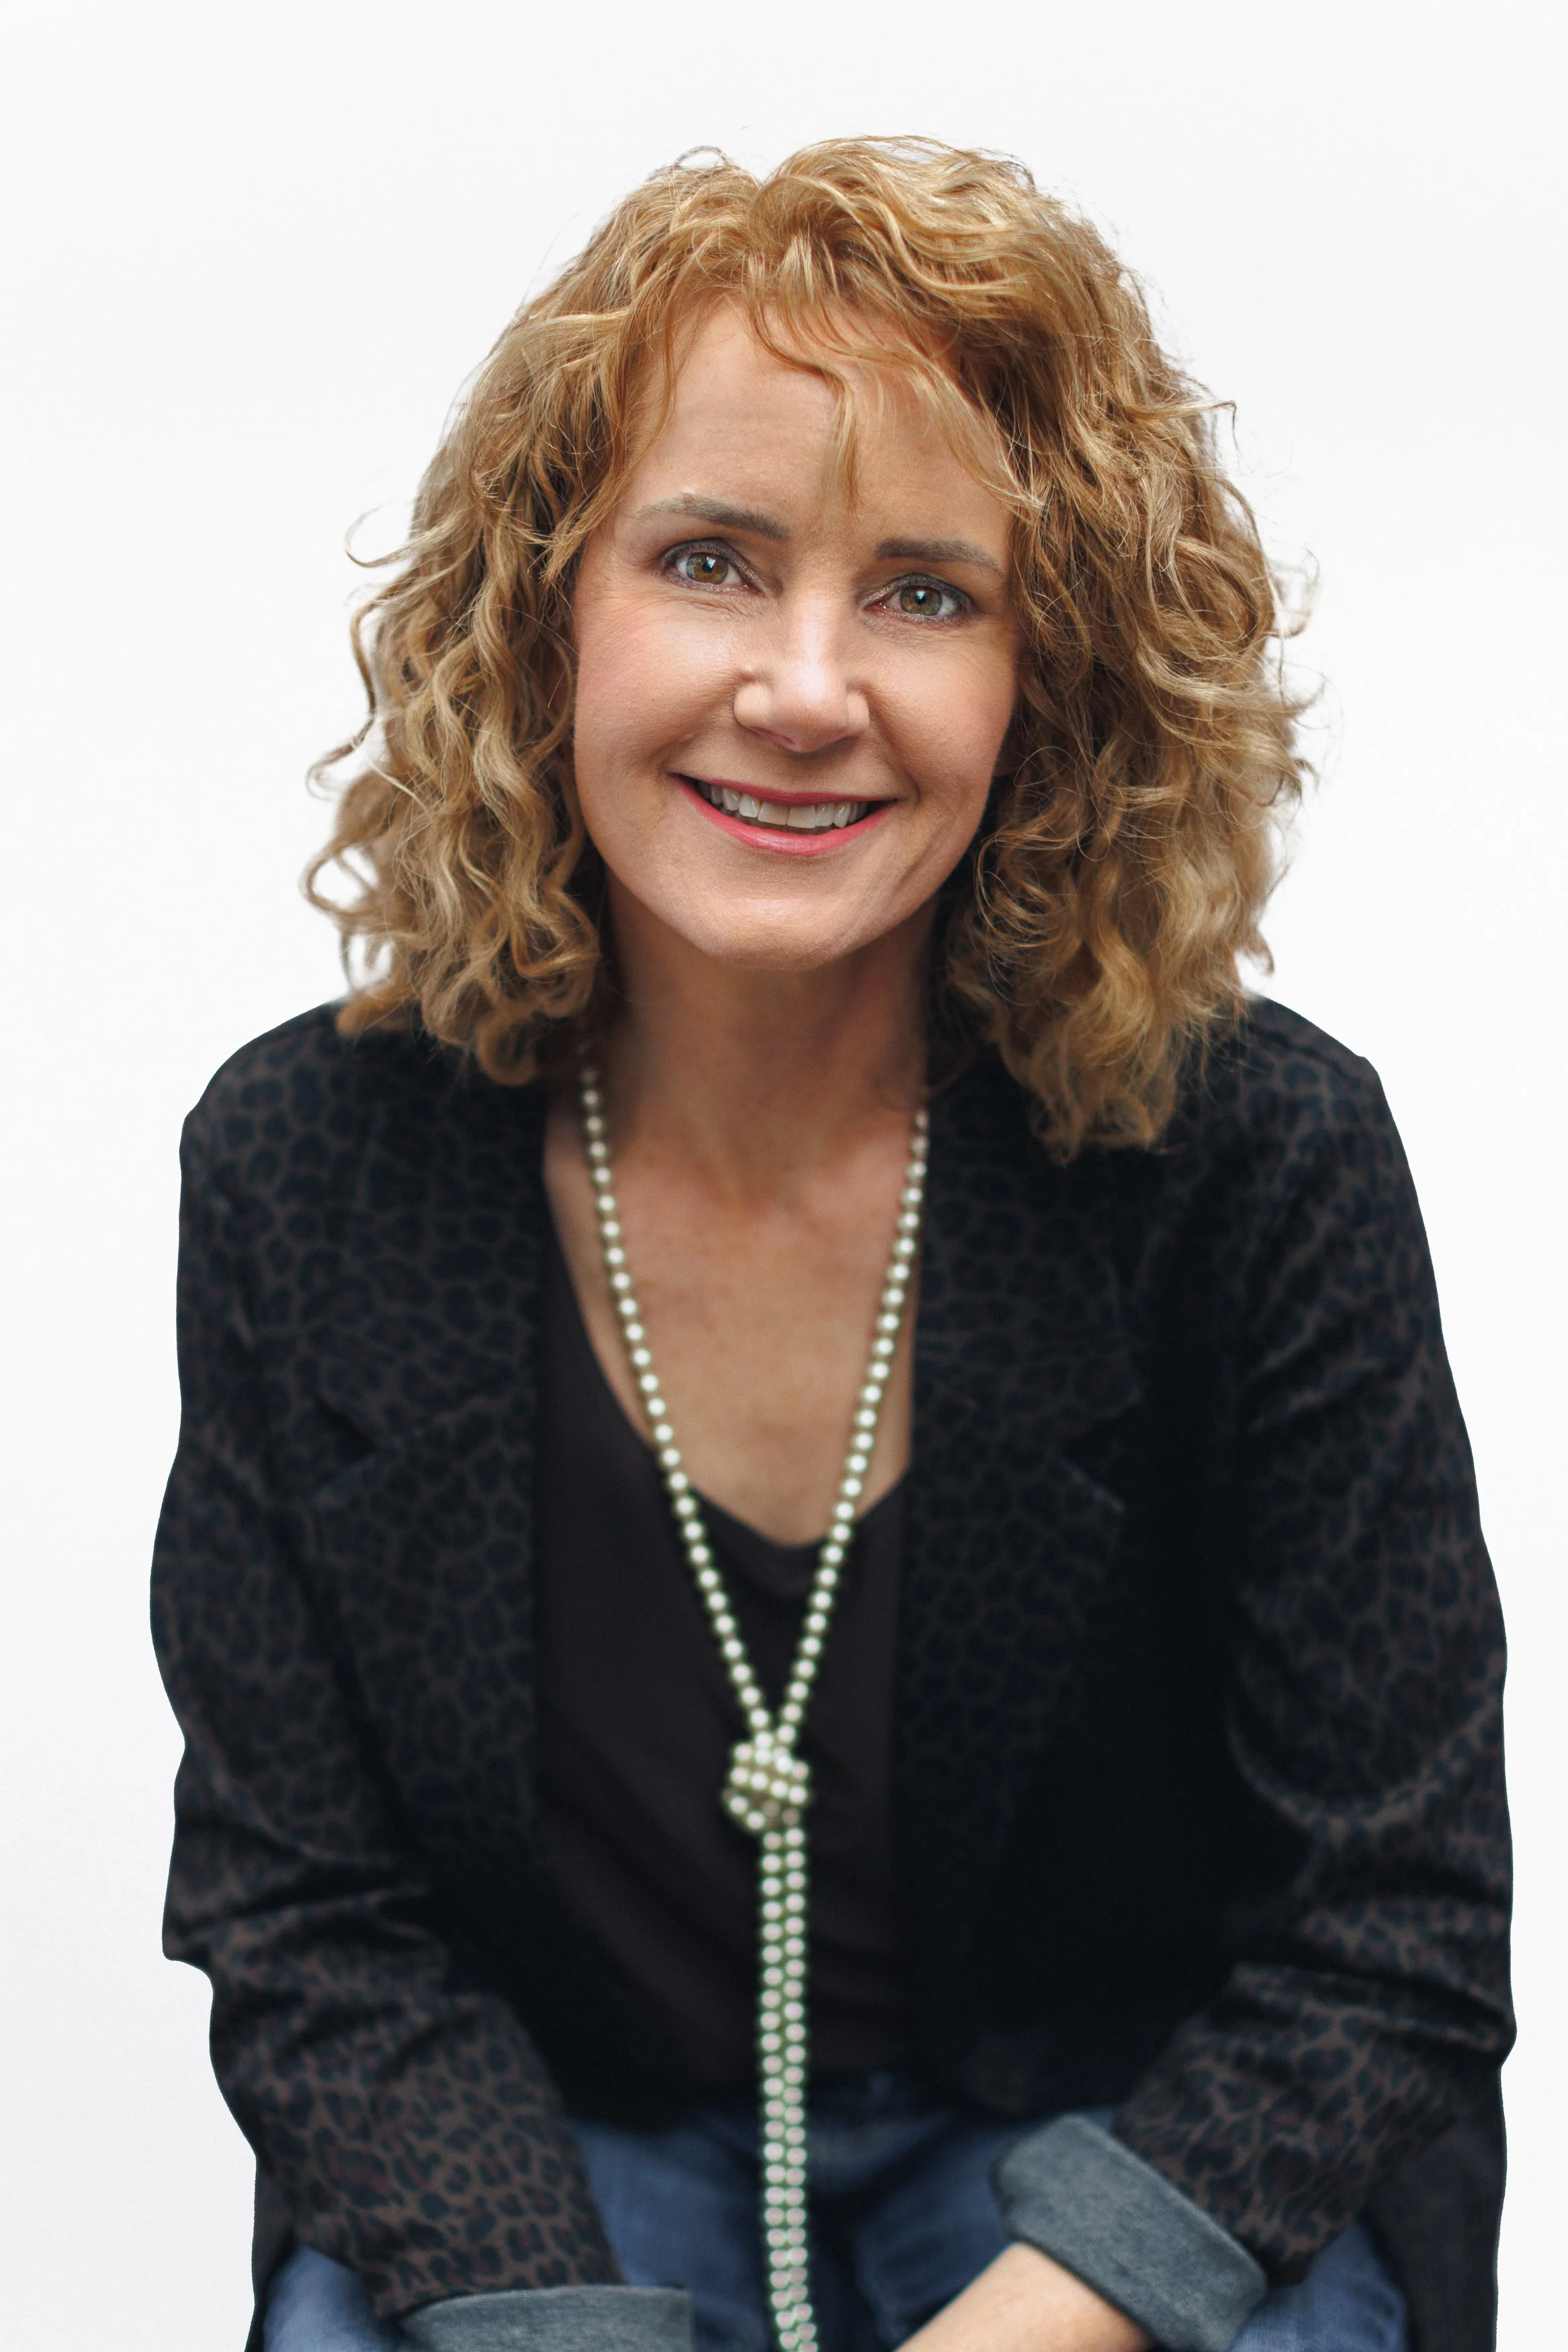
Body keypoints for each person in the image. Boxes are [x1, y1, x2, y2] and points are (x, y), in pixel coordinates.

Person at [151, 138, 1512, 2352]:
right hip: (551, 2152)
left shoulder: (1257, 1158)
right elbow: (312, 1923)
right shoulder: (307, 1162)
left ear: (1054, 678)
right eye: (709, 559)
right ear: (544, 611)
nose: (805, 687)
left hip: (1120, 2136)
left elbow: (1390, 1928)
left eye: (924, 591)